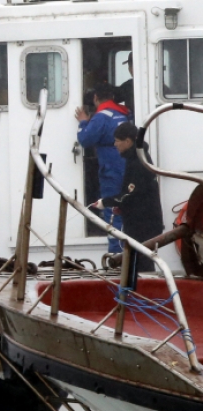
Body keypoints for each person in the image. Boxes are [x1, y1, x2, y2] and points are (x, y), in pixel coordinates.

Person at [89, 123, 163, 272]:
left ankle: (141, 290)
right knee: (138, 261)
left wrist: (105, 202)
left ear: (128, 141)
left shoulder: (138, 162)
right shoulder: (136, 157)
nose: (115, 144)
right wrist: (121, 206)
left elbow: (130, 194)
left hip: (143, 223)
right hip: (142, 219)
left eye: (117, 140)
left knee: (141, 263)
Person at [76, 82, 130, 253]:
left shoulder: (101, 116)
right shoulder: (125, 113)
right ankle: (128, 251)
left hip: (111, 168)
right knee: (126, 206)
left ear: (95, 98)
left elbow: (85, 139)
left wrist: (84, 122)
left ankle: (116, 254)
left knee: (112, 208)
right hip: (127, 165)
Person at [116, 52, 134, 117]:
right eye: (130, 65)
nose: (130, 69)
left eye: (131, 65)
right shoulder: (127, 85)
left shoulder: (129, 86)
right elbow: (115, 96)